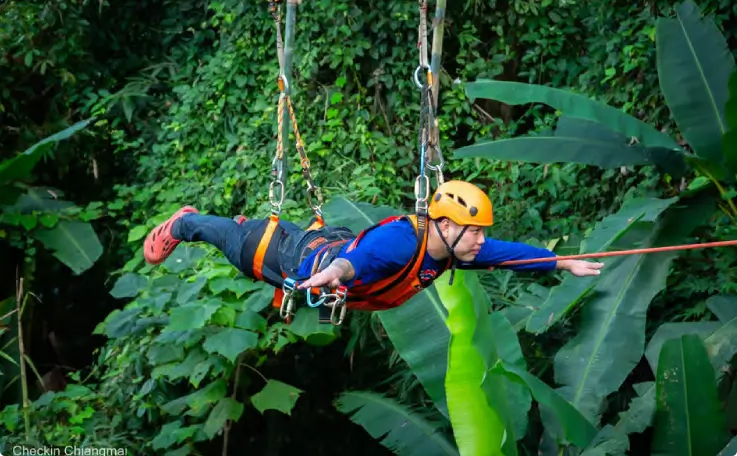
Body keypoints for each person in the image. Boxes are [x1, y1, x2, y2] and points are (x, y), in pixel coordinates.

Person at [142, 180, 603, 314]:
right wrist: (334, 275)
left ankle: (236, 225)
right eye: (474, 231)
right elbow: (359, 261)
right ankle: (184, 222)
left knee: (251, 234)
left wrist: (563, 262)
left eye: (481, 233)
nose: (481, 241)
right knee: (222, 237)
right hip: (282, 258)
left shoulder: (454, 246)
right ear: (444, 225)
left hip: (325, 242)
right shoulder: (401, 243)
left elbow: (508, 253)